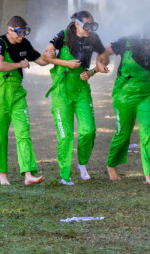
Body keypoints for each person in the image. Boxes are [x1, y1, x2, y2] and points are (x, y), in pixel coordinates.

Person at [97, 22, 150, 185]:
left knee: (148, 131)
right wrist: (100, 63)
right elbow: (104, 52)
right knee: (123, 133)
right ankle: (111, 164)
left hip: (147, 93)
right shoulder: (125, 42)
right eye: (149, 39)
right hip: (124, 94)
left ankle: (149, 174)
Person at [43, 11, 108, 184]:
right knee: (65, 135)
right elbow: (45, 56)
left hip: (81, 89)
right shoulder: (63, 36)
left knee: (89, 130)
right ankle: (65, 175)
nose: (90, 29)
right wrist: (66, 63)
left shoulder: (93, 38)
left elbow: (104, 58)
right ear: (77, 24)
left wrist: (93, 71)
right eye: (86, 26)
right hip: (62, 90)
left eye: (92, 25)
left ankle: (82, 164)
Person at [0, 15, 49, 186]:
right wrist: (20, 65)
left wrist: (51, 53)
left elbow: (41, 61)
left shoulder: (24, 44)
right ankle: (2, 174)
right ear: (10, 30)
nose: (22, 36)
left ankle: (28, 174)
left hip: (17, 95)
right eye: (20, 32)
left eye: (25, 32)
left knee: (23, 133)